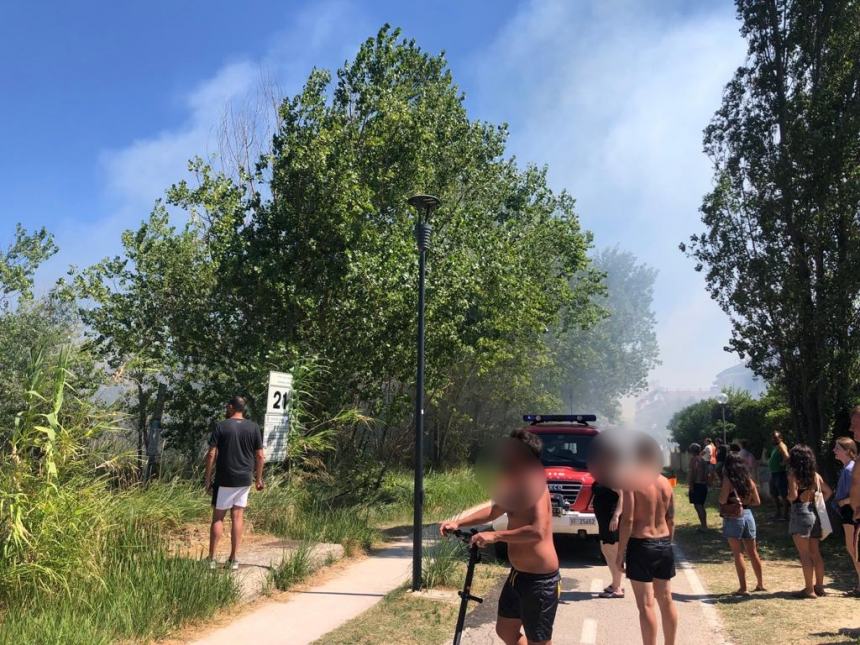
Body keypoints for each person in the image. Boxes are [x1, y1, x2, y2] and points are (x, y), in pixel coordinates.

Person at [440, 429, 560, 645]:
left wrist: (495, 536)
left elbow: (537, 531)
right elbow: (494, 510)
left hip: (539, 581)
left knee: (539, 641)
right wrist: (458, 522)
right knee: (505, 630)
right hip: (518, 575)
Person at [617, 435, 678, 645]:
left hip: (641, 544)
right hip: (663, 542)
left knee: (646, 605)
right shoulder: (665, 483)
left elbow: (628, 519)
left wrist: (620, 553)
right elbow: (671, 518)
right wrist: (669, 544)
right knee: (666, 599)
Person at [205, 396, 265, 570]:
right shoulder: (253, 427)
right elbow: (260, 456)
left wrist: (208, 478)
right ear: (243, 409)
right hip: (244, 479)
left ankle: (212, 559)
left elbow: (211, 454)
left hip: (224, 478)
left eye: (227, 406)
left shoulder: (221, 426)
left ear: (231, 407)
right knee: (238, 517)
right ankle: (233, 559)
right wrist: (258, 478)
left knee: (218, 518)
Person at [787, 444, 833, 598]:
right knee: (816, 553)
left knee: (804, 554)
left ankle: (809, 590)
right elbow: (828, 492)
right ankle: (819, 587)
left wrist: (789, 496)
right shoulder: (815, 475)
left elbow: (793, 496)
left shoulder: (793, 475)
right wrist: (815, 500)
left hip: (800, 513)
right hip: (815, 513)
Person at [718, 452, 765, 595]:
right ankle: (760, 584)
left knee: (738, 553)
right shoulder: (748, 480)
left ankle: (743, 588)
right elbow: (757, 502)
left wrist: (730, 501)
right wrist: (745, 502)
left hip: (734, 517)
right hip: (748, 514)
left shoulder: (728, 480)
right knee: (753, 552)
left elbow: (721, 500)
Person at [586, 434, 624, 599]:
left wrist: (616, 516)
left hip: (611, 520)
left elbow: (622, 495)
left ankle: (617, 587)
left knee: (611, 551)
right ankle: (615, 583)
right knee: (607, 550)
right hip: (604, 519)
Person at [832, 436, 859, 596]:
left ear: (848, 451)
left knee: (854, 550)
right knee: (854, 550)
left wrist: (843, 502)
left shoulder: (850, 469)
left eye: (837, 448)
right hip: (849, 511)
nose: (834, 451)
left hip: (851, 511)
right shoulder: (849, 468)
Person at [768, 431, 790, 521]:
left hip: (780, 474)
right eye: (773, 438)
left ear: (780, 438)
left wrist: (782, 464)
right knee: (773, 493)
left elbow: (787, 457)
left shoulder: (781, 445)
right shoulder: (776, 447)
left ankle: (785, 515)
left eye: (776, 438)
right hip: (774, 473)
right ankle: (778, 513)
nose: (773, 439)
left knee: (783, 495)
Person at [687, 443, 708, 532]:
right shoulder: (702, 460)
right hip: (703, 485)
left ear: (692, 451)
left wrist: (691, 485)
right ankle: (704, 525)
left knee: (698, 506)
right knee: (701, 506)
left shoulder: (694, 460)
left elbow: (693, 472)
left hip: (697, 485)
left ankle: (704, 527)